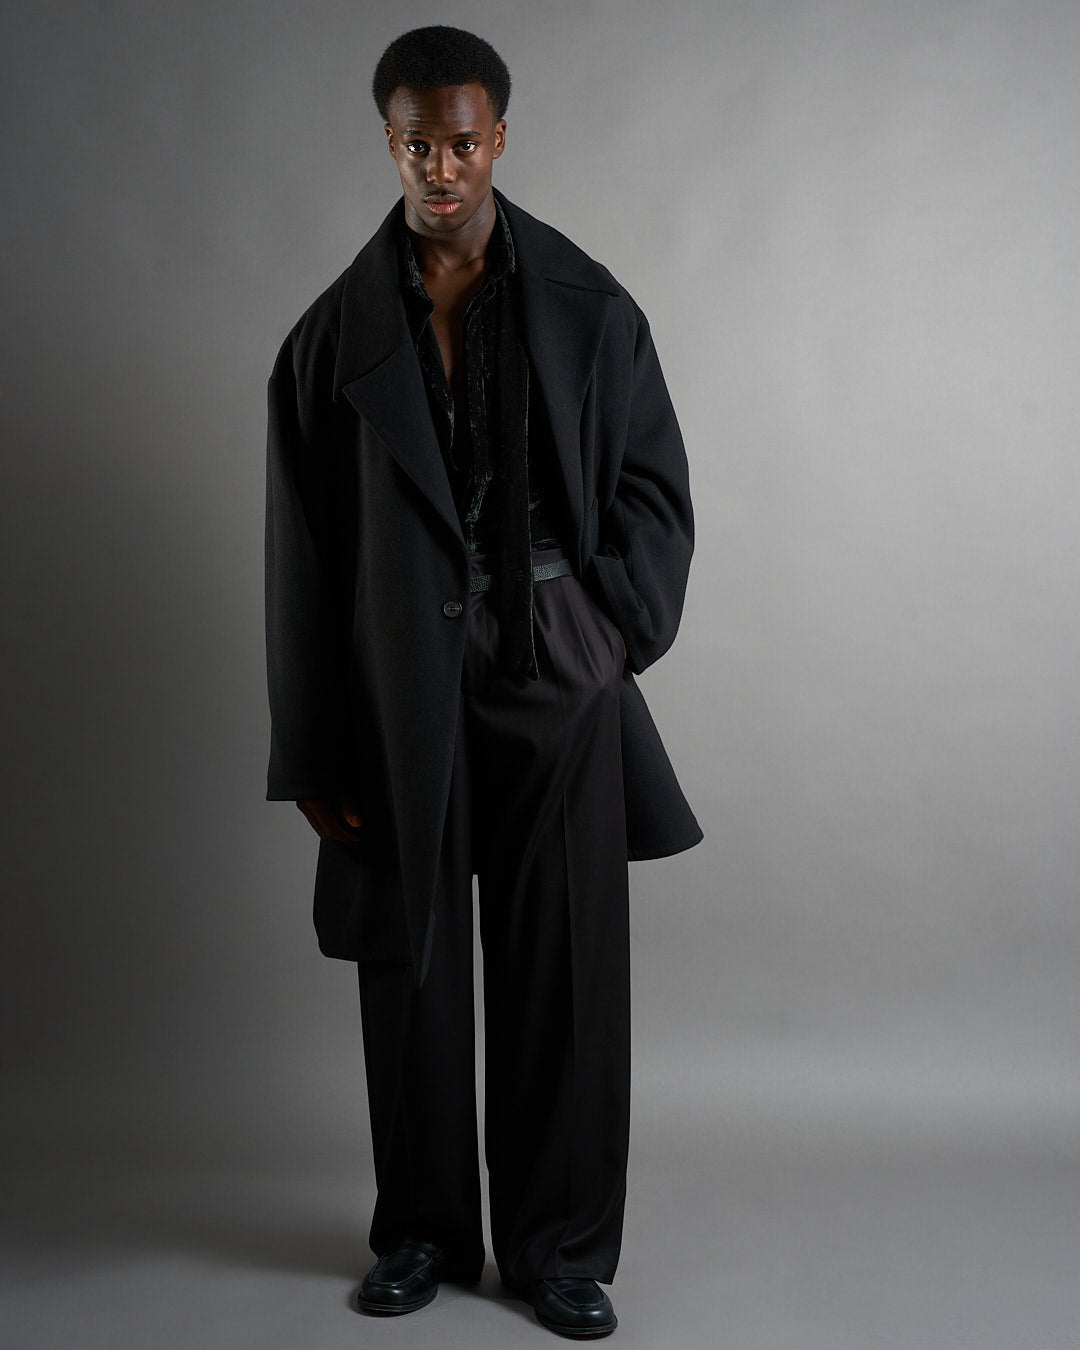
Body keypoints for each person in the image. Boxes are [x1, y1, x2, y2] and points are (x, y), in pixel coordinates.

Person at [264, 24, 701, 1340]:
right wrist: (313, 747)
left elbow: (655, 489)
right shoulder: (329, 338)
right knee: (409, 963)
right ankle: (420, 1231)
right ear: (387, 141)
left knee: (564, 961)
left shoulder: (588, 303)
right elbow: (300, 554)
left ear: (498, 138)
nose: (440, 166)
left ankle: (560, 1247)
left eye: (461, 141)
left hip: (553, 656)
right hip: (398, 672)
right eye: (416, 143)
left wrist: (606, 631)